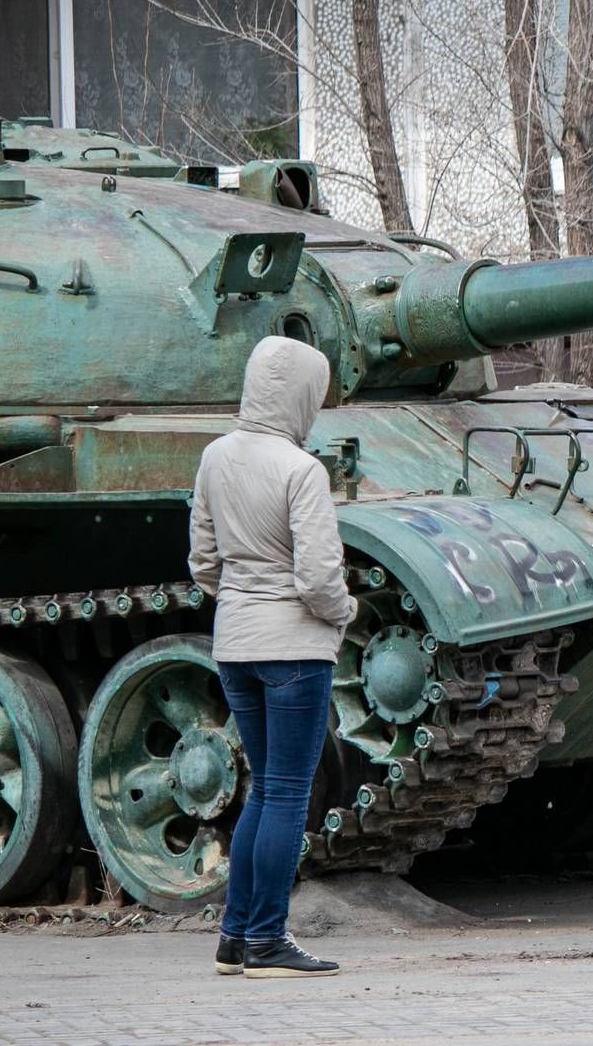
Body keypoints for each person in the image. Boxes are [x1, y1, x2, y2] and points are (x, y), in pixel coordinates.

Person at [189, 336, 357, 979]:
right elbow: (318, 579)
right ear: (300, 396)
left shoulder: (214, 457)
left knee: (264, 789)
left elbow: (204, 563)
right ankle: (265, 939)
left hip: (235, 646)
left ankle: (236, 937)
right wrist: (346, 612)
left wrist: (240, 598)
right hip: (295, 647)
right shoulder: (300, 468)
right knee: (288, 793)